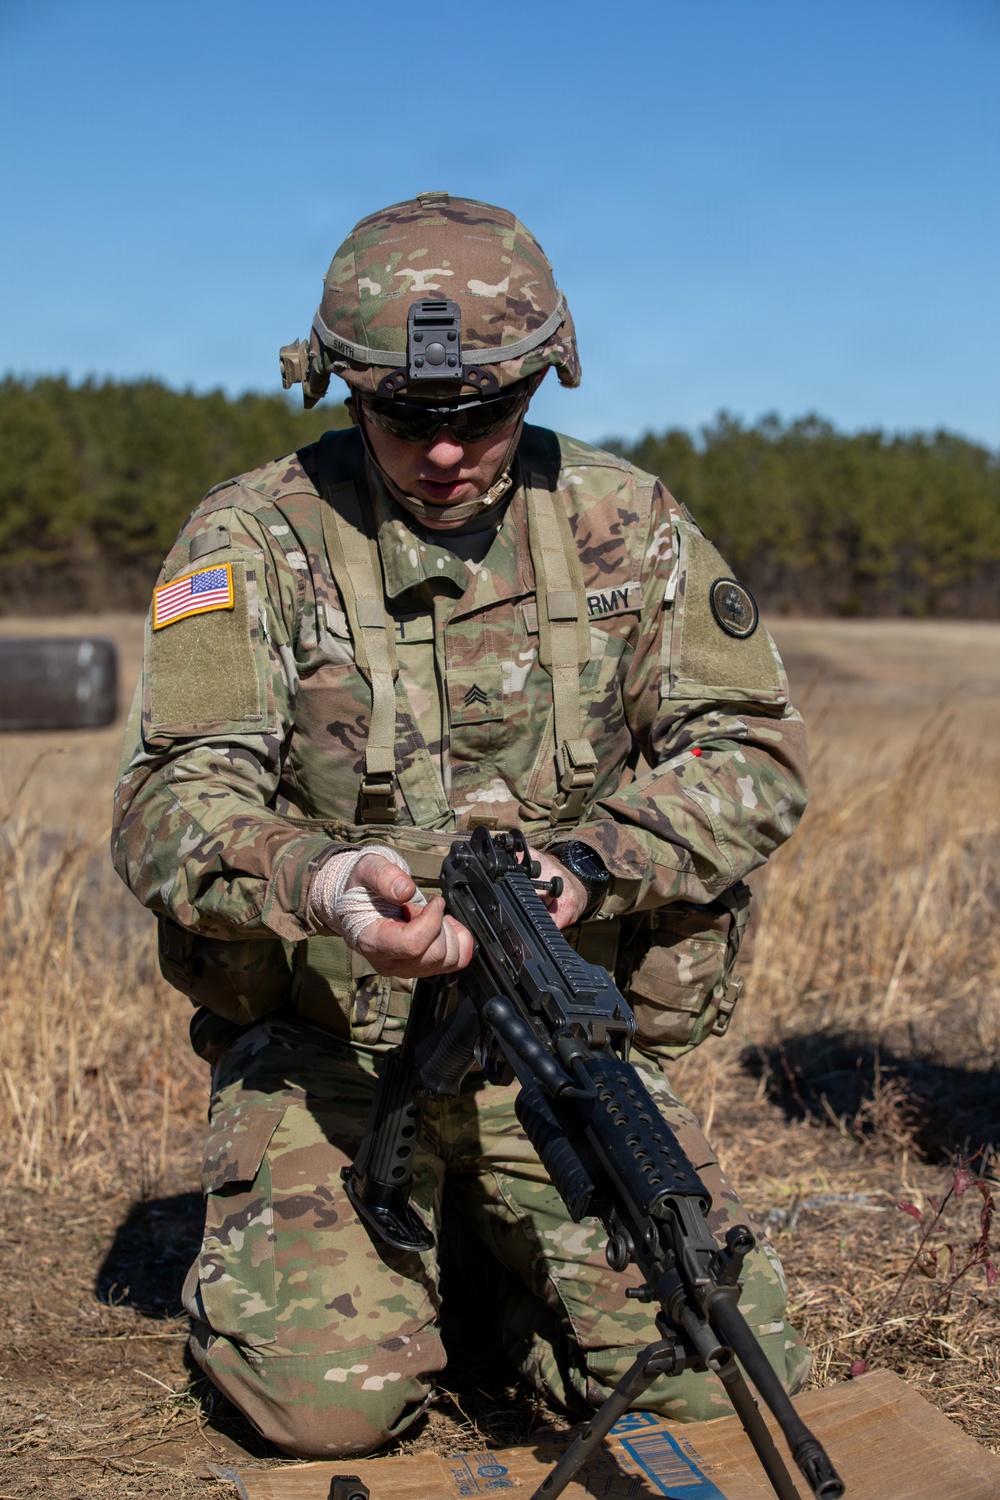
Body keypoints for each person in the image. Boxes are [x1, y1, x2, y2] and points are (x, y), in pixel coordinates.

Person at [111, 191, 811, 1460]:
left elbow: (754, 755)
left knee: (718, 1374)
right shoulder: (251, 537)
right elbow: (170, 800)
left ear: (545, 381)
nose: (446, 453)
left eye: (484, 414)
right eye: (405, 417)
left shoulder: (627, 524)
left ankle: (484, 1278)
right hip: (334, 1053)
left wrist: (594, 867)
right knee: (332, 1409)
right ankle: (366, 1269)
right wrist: (322, 883)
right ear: (340, 390)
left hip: (547, 1049)